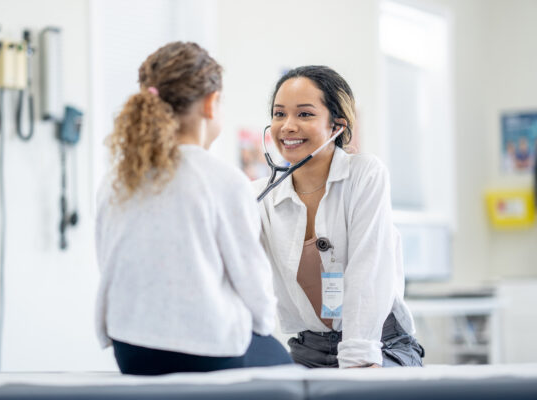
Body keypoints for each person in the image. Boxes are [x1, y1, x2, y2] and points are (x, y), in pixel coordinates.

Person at [95, 42, 292, 375]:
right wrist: (260, 327)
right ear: (211, 103)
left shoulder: (116, 178)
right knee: (287, 367)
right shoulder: (224, 179)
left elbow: (107, 262)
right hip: (207, 351)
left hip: (131, 351)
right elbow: (253, 284)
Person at [253, 65, 424, 369]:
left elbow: (368, 270)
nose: (288, 126)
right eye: (279, 114)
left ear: (337, 126)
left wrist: (360, 357)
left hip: (379, 342)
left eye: (304, 114)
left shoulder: (364, 175)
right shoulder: (260, 196)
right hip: (309, 348)